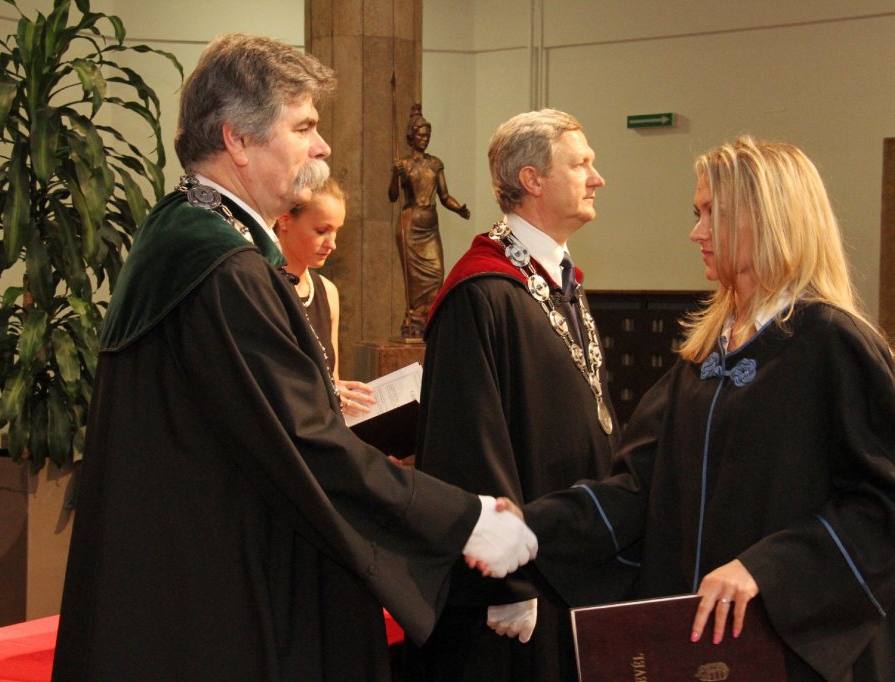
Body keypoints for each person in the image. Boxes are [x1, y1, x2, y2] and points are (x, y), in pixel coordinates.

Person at [52, 34, 538, 682]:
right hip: (220, 595)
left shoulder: (188, 232)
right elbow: (306, 442)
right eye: (304, 126)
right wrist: (467, 522)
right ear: (238, 140)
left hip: (190, 569)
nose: (323, 146)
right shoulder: (222, 266)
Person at [523, 136, 895, 681]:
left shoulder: (832, 342)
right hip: (708, 645)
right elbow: (639, 489)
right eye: (696, 214)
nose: (696, 233)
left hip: (798, 651)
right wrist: (523, 529)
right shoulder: (706, 354)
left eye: (711, 214)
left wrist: (764, 568)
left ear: (768, 220)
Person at [404, 110, 620, 682]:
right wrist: (504, 582)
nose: (597, 178)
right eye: (581, 164)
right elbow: (469, 444)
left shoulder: (556, 278)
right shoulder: (481, 291)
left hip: (569, 554)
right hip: (519, 581)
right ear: (532, 179)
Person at [276, 178, 375, 417]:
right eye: (322, 231)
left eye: (336, 231)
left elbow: (332, 377)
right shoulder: (263, 287)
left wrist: (342, 395)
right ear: (285, 219)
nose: (333, 244)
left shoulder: (327, 291)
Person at [388, 103, 470, 338]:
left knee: (436, 274)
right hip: (411, 225)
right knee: (414, 282)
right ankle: (414, 322)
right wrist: (395, 175)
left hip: (430, 226)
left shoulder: (435, 164)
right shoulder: (403, 164)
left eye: (427, 136)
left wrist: (459, 209)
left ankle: (428, 321)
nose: (424, 140)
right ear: (411, 137)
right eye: (421, 136)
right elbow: (393, 196)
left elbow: (445, 196)